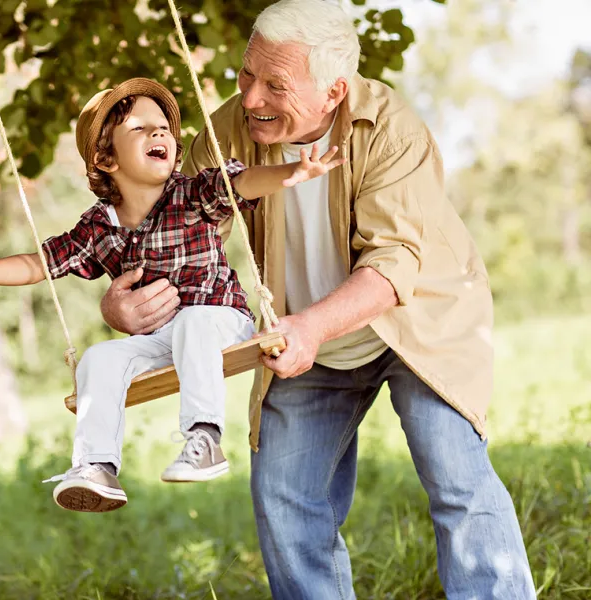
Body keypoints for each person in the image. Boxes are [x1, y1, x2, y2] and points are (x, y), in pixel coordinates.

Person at [98, 2, 538, 598]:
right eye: (246, 74)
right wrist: (122, 306)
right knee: (284, 497)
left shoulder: (390, 128)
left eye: (275, 85)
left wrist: (310, 327)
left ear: (334, 91)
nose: (251, 98)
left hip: (417, 322)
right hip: (303, 338)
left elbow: (392, 265)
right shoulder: (227, 133)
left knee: (456, 477)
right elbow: (166, 235)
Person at [0, 77, 345, 514]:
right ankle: (96, 466)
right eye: (139, 129)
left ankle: (204, 438)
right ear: (106, 158)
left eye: (163, 128)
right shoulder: (98, 228)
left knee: (195, 322)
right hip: (164, 338)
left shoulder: (194, 193)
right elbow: (38, 264)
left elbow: (247, 182)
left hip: (219, 321)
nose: (159, 134)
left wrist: (293, 173)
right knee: (99, 359)